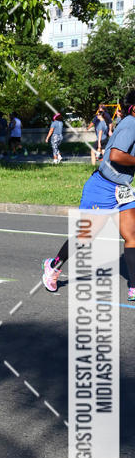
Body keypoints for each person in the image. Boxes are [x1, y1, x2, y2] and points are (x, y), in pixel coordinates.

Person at [42, 95, 135, 302]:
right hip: (102, 188)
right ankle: (54, 265)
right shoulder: (131, 124)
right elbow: (116, 156)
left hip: (123, 189)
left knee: (131, 235)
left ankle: (133, 287)